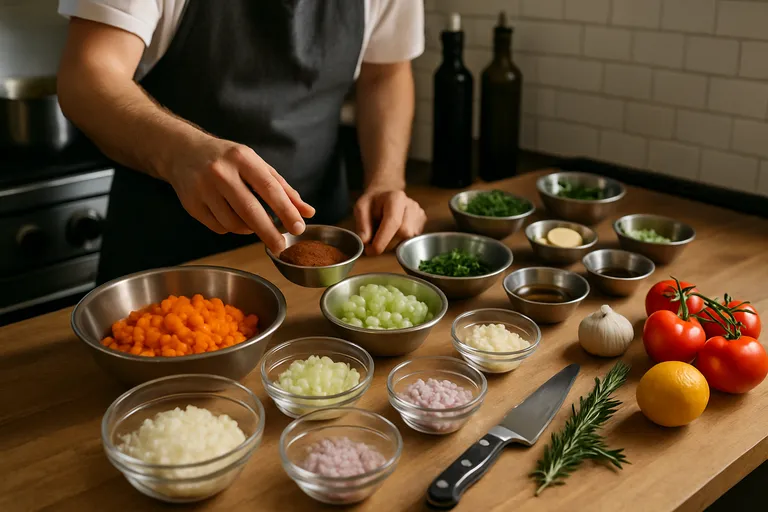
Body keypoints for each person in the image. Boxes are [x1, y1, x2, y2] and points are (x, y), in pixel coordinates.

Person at [57, 0, 427, 282]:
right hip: (166, 262)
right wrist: (181, 152)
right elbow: (87, 78)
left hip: (316, 262)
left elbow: (386, 73)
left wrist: (386, 181)